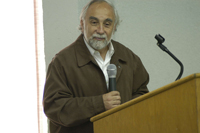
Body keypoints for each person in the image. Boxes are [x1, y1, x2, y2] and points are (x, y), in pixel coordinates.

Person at [43, 0, 149, 132]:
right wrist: (100, 104)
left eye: (107, 24)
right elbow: (55, 107)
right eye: (94, 22)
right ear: (82, 23)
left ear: (114, 27)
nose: (100, 30)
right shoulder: (62, 61)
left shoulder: (128, 57)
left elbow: (142, 95)